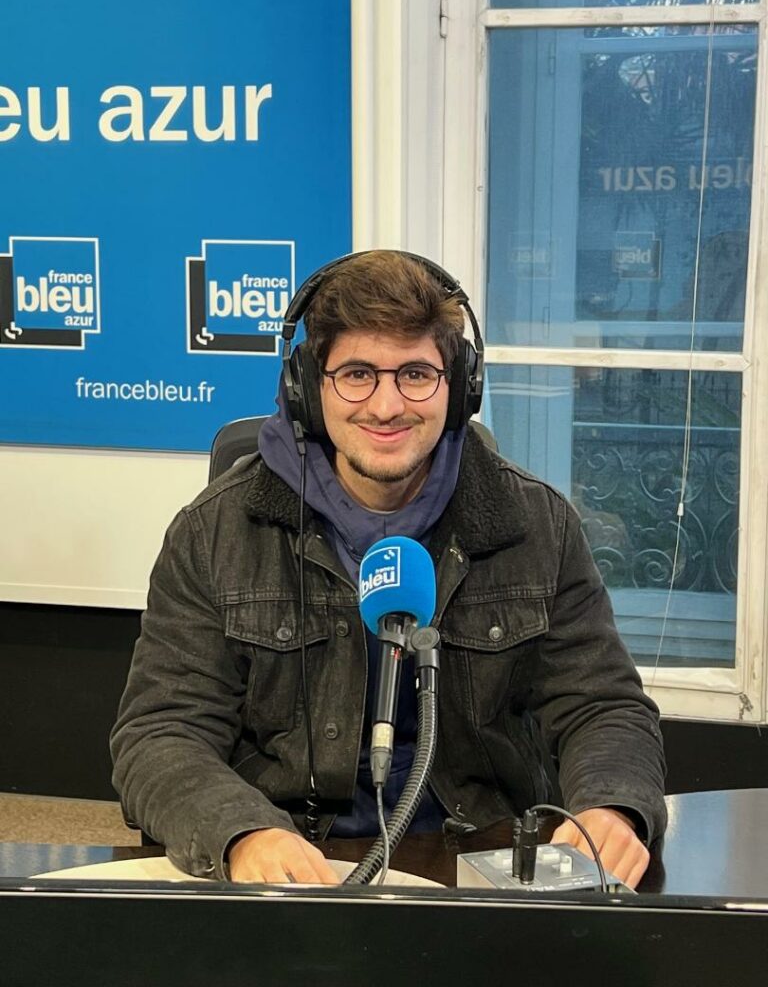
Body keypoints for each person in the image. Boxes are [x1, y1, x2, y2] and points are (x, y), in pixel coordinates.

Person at [111, 249, 666, 888]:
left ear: (459, 386)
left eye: (415, 374)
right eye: (356, 374)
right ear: (306, 389)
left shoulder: (535, 524)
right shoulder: (215, 532)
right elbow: (160, 732)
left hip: (476, 863)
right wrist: (242, 832)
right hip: (293, 865)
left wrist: (612, 805)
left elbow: (604, 705)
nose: (385, 406)